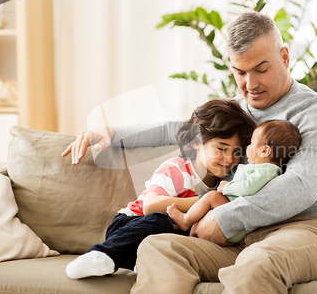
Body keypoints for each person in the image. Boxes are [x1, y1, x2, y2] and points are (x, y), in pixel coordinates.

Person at [64, 11, 317, 294]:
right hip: (244, 237)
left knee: (257, 262)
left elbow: (299, 187)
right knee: (158, 247)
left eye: (260, 69)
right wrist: (112, 133)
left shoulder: (316, 115)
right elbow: (179, 128)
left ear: (284, 57)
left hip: (316, 230)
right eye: (240, 72)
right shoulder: (240, 111)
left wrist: (226, 217)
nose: (250, 84)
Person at [63, 98, 256, 279]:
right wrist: (203, 201)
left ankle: (143, 263)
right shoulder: (177, 168)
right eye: (221, 149)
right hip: (130, 227)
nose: (230, 159)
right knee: (160, 221)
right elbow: (150, 206)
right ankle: (102, 255)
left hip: (161, 241)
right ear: (197, 142)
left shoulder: (223, 182)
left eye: (236, 152)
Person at [166, 119, 301, 244]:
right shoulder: (262, 169)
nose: (247, 147)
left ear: (265, 151)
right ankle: (190, 238)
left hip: (234, 220)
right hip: (231, 212)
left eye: (252, 142)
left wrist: (226, 187)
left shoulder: (268, 170)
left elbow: (248, 187)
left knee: (211, 196)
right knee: (201, 215)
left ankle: (185, 220)